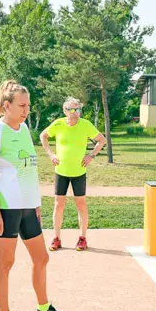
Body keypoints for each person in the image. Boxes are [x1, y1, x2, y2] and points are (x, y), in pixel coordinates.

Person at [0, 80, 72, 311]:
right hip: (7, 207)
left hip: (27, 206)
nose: (26, 109)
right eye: (21, 105)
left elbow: (29, 170)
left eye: (28, 105)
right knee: (5, 263)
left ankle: (43, 310)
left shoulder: (23, 130)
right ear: (6, 106)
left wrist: (36, 203)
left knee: (41, 258)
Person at [39, 97, 107, 252]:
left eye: (77, 109)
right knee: (58, 204)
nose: (75, 112)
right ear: (65, 110)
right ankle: (56, 238)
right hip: (61, 172)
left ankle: (82, 238)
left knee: (81, 204)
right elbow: (43, 136)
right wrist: (51, 154)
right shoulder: (58, 124)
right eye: (72, 109)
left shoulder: (86, 125)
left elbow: (101, 140)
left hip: (79, 172)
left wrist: (91, 156)